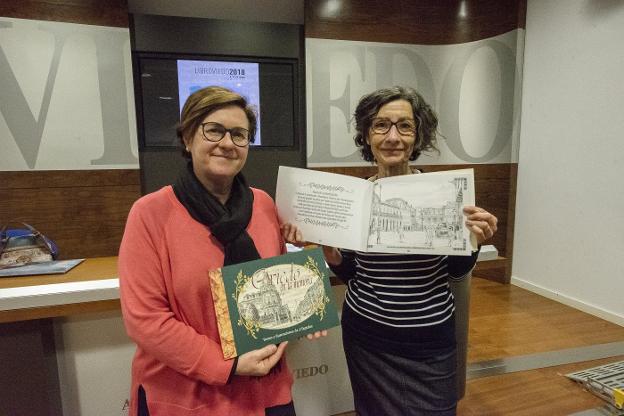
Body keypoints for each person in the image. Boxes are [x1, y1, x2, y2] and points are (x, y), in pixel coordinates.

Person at [119, 86, 319, 416]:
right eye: (214, 130)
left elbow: (276, 290)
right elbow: (146, 319)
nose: (227, 143)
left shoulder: (264, 205)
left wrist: (307, 305)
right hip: (186, 396)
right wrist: (227, 364)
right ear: (187, 138)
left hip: (266, 390)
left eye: (239, 135)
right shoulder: (150, 213)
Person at [323, 86, 498, 415]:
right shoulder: (354, 198)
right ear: (367, 135)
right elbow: (351, 272)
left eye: (405, 126)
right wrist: (333, 257)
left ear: (418, 137)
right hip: (366, 337)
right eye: (381, 125)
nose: (393, 136)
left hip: (429, 339)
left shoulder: (444, 197)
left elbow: (456, 272)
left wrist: (475, 239)